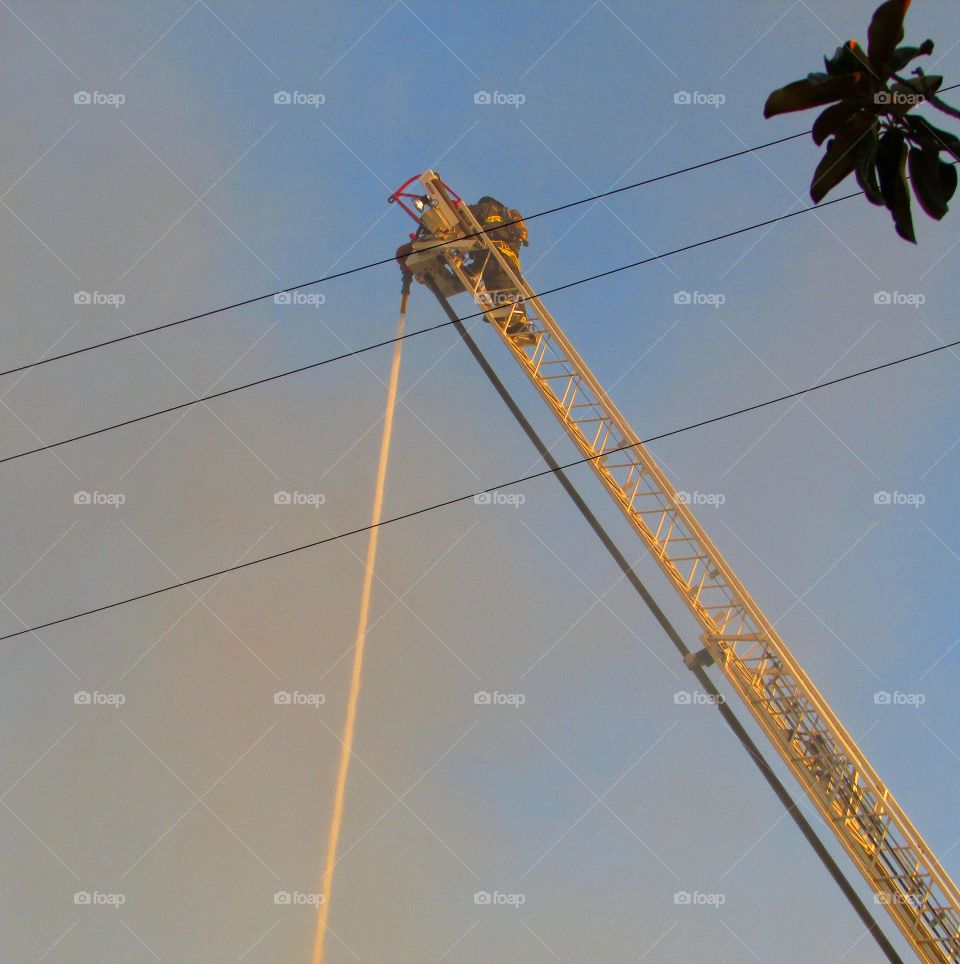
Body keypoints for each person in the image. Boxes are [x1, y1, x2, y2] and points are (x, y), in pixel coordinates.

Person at [467, 196, 532, 340]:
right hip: (512, 261)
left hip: (494, 255)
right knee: (514, 288)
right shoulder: (508, 223)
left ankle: (505, 308)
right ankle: (520, 324)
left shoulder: (486, 208)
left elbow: (465, 213)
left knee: (497, 281)